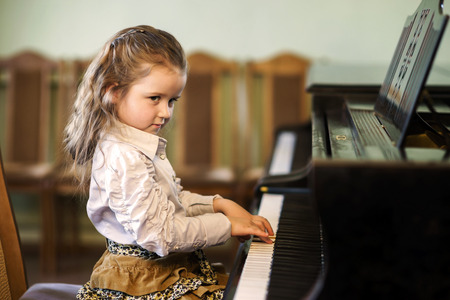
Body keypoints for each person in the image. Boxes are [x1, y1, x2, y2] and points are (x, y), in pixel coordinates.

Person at [64, 25, 274, 300]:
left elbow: (166, 202)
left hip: (160, 270)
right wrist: (227, 225)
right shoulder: (124, 157)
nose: (165, 112)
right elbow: (161, 234)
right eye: (155, 98)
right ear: (114, 92)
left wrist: (217, 203)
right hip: (144, 282)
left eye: (172, 100)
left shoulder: (136, 145)